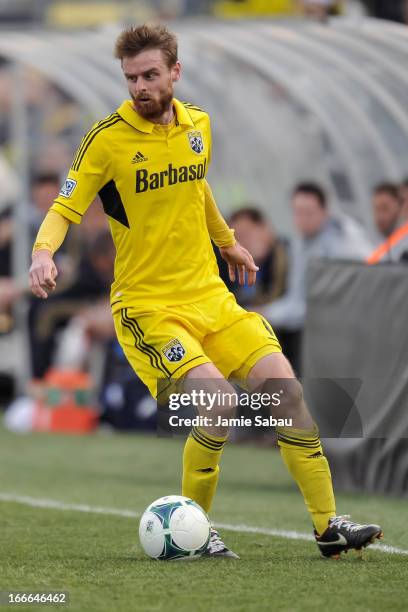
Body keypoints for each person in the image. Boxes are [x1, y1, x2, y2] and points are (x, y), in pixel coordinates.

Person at [29, 24, 382, 559]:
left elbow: (197, 189)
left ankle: (328, 525)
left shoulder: (199, 126)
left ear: (175, 71)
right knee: (215, 403)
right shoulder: (106, 139)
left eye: (151, 74)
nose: (141, 87)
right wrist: (41, 253)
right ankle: (195, 530)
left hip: (211, 298)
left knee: (285, 394)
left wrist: (229, 242)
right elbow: (64, 207)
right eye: (131, 78)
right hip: (149, 309)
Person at [259, 182, 372, 368]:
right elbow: (297, 299)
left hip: (343, 335)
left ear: (324, 211)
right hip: (318, 331)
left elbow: (309, 307)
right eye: (297, 212)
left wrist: (267, 313)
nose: (302, 219)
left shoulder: (343, 245)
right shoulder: (301, 244)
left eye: (308, 212)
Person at [367, 181, 408, 264]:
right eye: (376, 209)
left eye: (385, 208)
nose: (380, 216)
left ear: (400, 208)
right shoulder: (377, 249)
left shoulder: (404, 246)